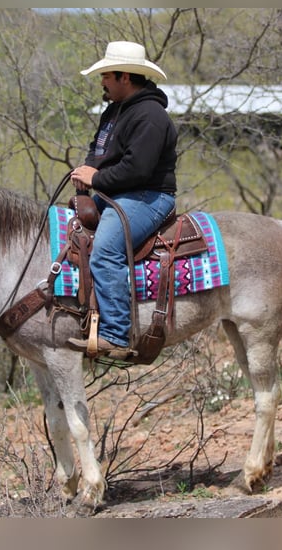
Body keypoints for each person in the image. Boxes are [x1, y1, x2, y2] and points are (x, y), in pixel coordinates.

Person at [66, 41, 178, 359]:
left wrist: (95, 179)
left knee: (104, 251)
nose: (102, 81)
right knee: (67, 232)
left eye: (106, 75)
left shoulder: (150, 116)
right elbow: (98, 151)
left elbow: (137, 170)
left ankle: (116, 335)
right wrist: (87, 175)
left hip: (148, 196)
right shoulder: (114, 111)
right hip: (117, 194)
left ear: (124, 77)